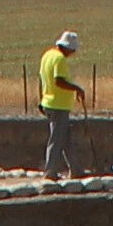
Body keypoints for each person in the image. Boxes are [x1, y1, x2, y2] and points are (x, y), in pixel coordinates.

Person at [34, 30, 87, 176]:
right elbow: (59, 81)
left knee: (66, 139)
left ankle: (76, 170)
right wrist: (77, 89)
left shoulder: (47, 55)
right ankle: (50, 171)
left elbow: (44, 78)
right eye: (73, 50)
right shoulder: (59, 59)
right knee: (56, 139)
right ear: (68, 47)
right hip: (58, 105)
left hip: (49, 101)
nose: (73, 53)